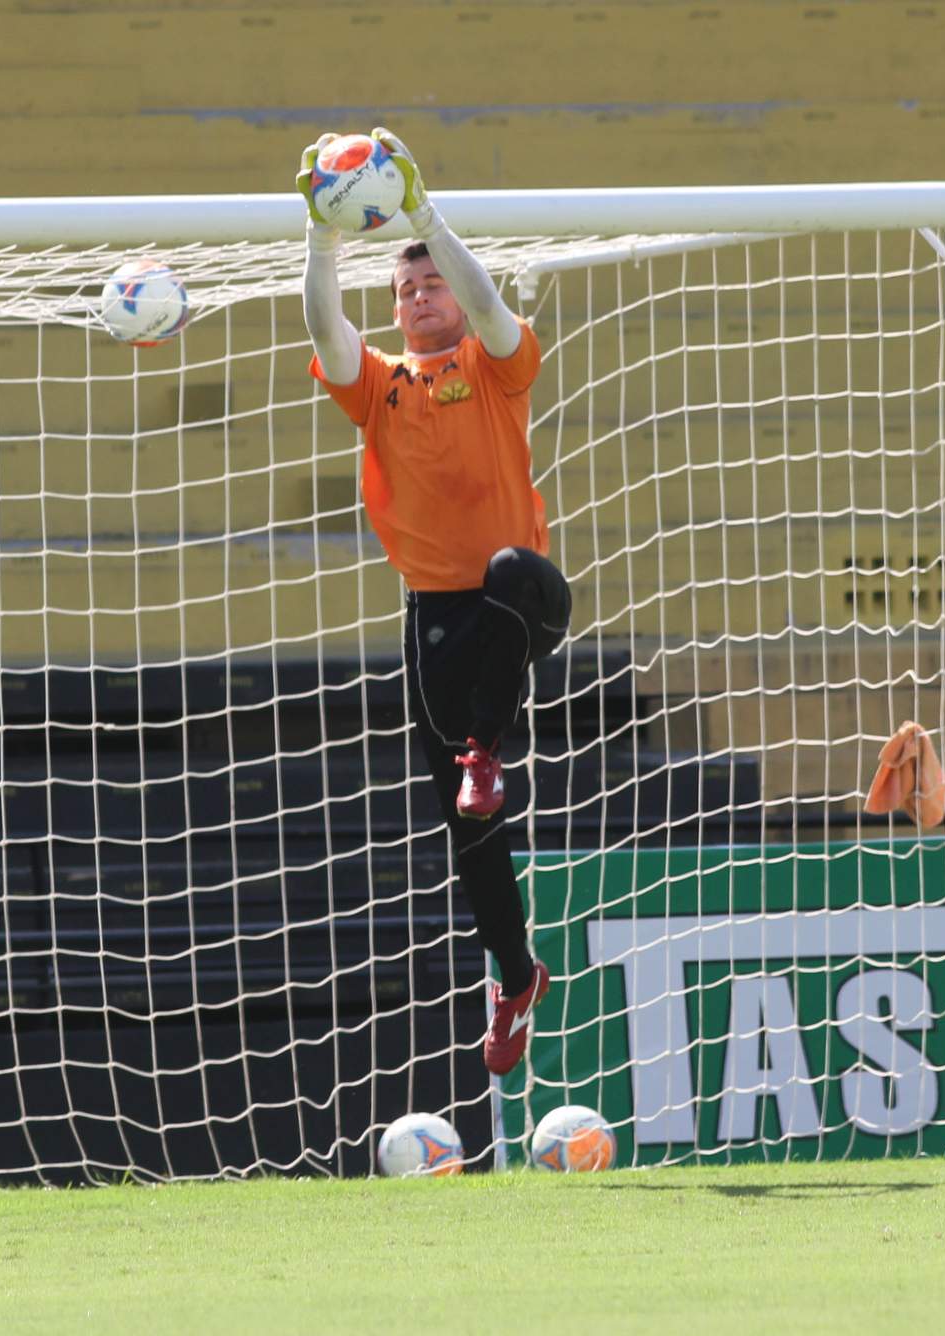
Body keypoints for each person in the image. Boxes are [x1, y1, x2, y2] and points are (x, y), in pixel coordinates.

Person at [296, 129, 570, 1078]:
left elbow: (492, 307)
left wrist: (422, 215)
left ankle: (486, 755)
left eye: (429, 284)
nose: (418, 297)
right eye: (405, 290)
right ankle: (514, 976)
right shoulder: (382, 390)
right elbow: (327, 335)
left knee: (511, 571)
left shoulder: (499, 364)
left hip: (520, 598)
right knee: (469, 832)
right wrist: (322, 235)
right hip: (431, 620)